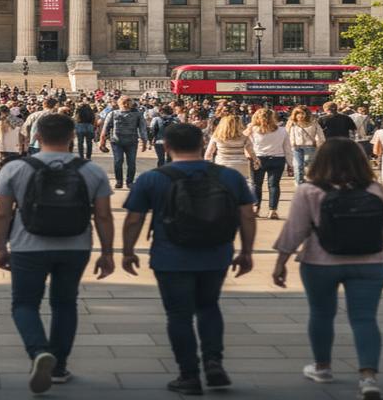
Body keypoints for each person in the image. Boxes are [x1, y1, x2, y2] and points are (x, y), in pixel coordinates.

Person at [121, 123, 256, 395]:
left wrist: (127, 251)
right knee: (209, 307)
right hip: (216, 252)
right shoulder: (229, 176)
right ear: (202, 142)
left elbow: (134, 219)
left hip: (170, 255)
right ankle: (214, 361)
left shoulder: (153, 178)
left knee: (179, 315)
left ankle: (189, 374)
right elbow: (247, 216)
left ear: (167, 146)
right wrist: (246, 251)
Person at [0, 113, 115, 394]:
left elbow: (1, 214)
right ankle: (58, 367)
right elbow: (104, 216)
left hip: (27, 245)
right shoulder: (92, 170)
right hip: (75, 245)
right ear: (72, 137)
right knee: (65, 304)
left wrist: (1, 247)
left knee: (24, 304)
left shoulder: (15, 169)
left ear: (36, 136)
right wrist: (107, 252)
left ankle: (39, 352)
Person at [272, 138, 383, 399]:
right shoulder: (375, 189)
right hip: (371, 262)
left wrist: (281, 261)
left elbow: (295, 229)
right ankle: (368, 377)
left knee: (321, 314)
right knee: (365, 318)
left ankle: (322, 367)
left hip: (320, 262)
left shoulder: (310, 190)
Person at [248, 107, 292, 219]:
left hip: (258, 158)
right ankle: (273, 210)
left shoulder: (252, 130)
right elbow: (287, 148)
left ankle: (256, 208)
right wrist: (290, 164)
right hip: (278, 159)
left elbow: (245, 143)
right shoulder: (282, 130)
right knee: (274, 185)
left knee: (256, 185)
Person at [102, 95, 148, 189]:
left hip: (131, 142)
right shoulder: (113, 114)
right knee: (118, 161)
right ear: (119, 104)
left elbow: (142, 129)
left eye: (128, 103)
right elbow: (105, 128)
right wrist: (102, 141)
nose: (126, 105)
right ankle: (119, 181)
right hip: (116, 142)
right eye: (124, 103)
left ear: (131, 104)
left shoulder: (138, 115)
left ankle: (129, 181)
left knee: (131, 163)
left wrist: (144, 141)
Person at [205, 114, 256, 182]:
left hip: (222, 165)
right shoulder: (244, 137)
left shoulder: (216, 137)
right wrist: (256, 160)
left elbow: (209, 153)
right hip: (241, 166)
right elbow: (251, 151)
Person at [288, 106, 325, 186]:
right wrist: (291, 144)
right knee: (298, 166)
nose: (300, 115)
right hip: (296, 147)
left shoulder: (314, 122)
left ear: (306, 114)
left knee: (309, 165)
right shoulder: (292, 123)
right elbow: (288, 134)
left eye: (302, 113)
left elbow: (320, 135)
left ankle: (310, 183)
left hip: (310, 146)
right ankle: (299, 184)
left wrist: (319, 144)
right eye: (297, 113)